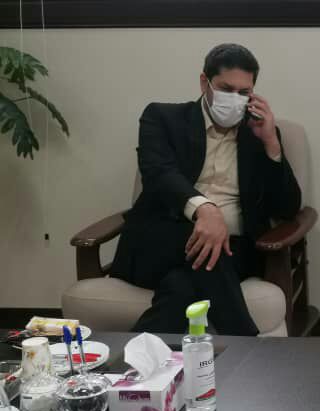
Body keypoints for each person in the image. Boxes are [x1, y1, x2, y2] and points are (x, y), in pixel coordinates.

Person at [110, 43, 301, 336]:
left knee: (182, 286)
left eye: (244, 92)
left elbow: (288, 208)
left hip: (236, 250)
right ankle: (251, 347)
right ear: (204, 82)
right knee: (211, 247)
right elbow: (159, 174)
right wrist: (205, 210)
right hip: (161, 243)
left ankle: (132, 359)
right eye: (226, 89)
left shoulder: (259, 133)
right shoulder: (163, 118)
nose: (235, 98)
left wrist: (271, 145)